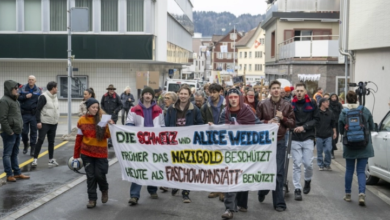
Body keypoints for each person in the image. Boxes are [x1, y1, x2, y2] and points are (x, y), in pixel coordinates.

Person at [218, 88, 260, 219]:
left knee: (242, 177)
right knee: (231, 179)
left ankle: (242, 204)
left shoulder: (247, 111)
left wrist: (270, 125)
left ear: (240, 98)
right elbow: (219, 129)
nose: (233, 99)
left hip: (245, 150)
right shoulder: (224, 112)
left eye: (236, 97)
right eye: (230, 97)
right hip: (230, 151)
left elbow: (258, 125)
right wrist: (211, 127)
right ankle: (229, 208)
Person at [256, 80, 295, 212]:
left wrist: (283, 118)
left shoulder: (287, 105)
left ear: (281, 90)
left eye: (278, 88)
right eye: (273, 88)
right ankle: (262, 190)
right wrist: (268, 122)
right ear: (270, 90)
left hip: (280, 140)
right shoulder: (262, 104)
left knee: (279, 172)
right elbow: (256, 122)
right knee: (266, 170)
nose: (276, 90)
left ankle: (279, 203)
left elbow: (292, 123)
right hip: (265, 142)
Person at [126, 86, 165, 206]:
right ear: (142, 95)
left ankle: (152, 190)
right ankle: (134, 195)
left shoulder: (159, 110)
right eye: (146, 93)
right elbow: (129, 124)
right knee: (139, 168)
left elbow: (162, 126)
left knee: (152, 166)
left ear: (153, 96)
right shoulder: (133, 109)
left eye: (150, 94)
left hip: (154, 144)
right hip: (140, 144)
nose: (148, 95)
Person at [165, 86, 204, 203]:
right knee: (175, 167)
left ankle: (186, 193)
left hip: (188, 144)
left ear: (189, 95)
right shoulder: (171, 109)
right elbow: (166, 126)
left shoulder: (195, 109)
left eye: (185, 94)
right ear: (178, 94)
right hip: (174, 143)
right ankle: (176, 184)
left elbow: (200, 124)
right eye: (181, 93)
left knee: (187, 168)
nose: (183, 96)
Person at [73, 98, 114, 208]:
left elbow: (108, 135)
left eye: (97, 107)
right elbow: (79, 139)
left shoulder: (102, 120)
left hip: (100, 153)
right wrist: (76, 156)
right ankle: (92, 199)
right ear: (88, 108)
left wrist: (110, 125)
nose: (95, 109)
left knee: (99, 175)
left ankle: (104, 189)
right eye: (93, 107)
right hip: (87, 153)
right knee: (90, 177)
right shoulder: (82, 120)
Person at [339, 91, 374, 206]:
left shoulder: (344, 112)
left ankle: (348, 194)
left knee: (349, 170)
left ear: (347, 100)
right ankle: (362, 194)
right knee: (361, 171)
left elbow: (340, 130)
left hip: (349, 145)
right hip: (364, 145)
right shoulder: (365, 110)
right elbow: (372, 126)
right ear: (357, 99)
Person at [290, 83, 317, 201]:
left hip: (308, 137)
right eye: (297, 91)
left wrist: (304, 126)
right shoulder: (291, 104)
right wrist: (295, 127)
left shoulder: (312, 103)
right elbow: (289, 119)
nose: (299, 93)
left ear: (305, 92)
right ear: (295, 92)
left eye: (301, 90)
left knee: (308, 164)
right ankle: (297, 189)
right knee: (296, 164)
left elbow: (316, 119)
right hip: (295, 137)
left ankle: (307, 180)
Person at [0, 80, 30, 182]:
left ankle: (17, 173)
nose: (17, 90)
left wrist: (19, 128)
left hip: (17, 131)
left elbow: (18, 116)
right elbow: (2, 118)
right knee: (7, 154)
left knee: (15, 153)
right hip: (9, 132)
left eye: (17, 88)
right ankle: (9, 174)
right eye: (15, 88)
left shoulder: (15, 100)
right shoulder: (4, 101)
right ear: (10, 89)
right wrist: (9, 131)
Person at [200, 83, 226, 201]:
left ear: (220, 92)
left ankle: (223, 190)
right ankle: (216, 188)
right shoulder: (206, 106)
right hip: (211, 138)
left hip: (224, 137)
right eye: (210, 92)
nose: (212, 95)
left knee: (224, 165)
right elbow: (202, 121)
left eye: (215, 92)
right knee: (213, 165)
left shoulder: (226, 105)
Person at [32, 81, 60, 167]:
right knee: (40, 140)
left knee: (51, 142)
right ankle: (35, 160)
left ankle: (51, 160)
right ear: (52, 88)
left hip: (53, 122)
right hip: (44, 123)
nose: (57, 89)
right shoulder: (44, 97)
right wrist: (38, 121)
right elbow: (38, 110)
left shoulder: (55, 97)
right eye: (56, 87)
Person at [18, 75, 42, 156]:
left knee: (34, 132)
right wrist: (25, 96)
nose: (30, 81)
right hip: (24, 113)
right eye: (29, 79)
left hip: (33, 114)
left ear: (35, 81)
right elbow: (17, 98)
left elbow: (40, 101)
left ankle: (32, 148)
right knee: (24, 132)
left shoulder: (38, 90)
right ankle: (25, 145)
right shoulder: (23, 88)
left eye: (32, 80)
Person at [315, 98, 337, 171]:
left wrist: (335, 132)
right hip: (318, 135)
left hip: (328, 135)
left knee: (328, 150)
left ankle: (327, 164)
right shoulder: (317, 112)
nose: (328, 103)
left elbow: (333, 124)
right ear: (322, 103)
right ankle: (320, 165)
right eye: (327, 102)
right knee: (319, 151)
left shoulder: (330, 113)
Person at [329, 93, 343, 159]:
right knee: (332, 138)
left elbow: (342, 112)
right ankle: (331, 152)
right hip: (331, 123)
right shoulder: (329, 104)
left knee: (336, 139)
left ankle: (331, 148)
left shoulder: (339, 104)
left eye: (335, 97)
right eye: (332, 97)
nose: (334, 98)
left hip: (337, 122)